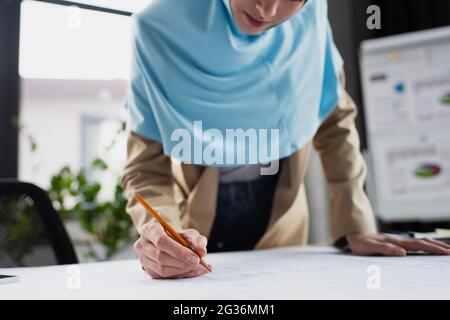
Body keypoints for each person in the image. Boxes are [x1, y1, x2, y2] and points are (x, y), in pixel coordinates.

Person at [121, 0, 450, 280]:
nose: (267, 9)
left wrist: (356, 223)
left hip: (282, 227)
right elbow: (145, 168)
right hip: (193, 228)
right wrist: (160, 231)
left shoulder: (310, 16)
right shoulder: (158, 28)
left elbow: (334, 119)